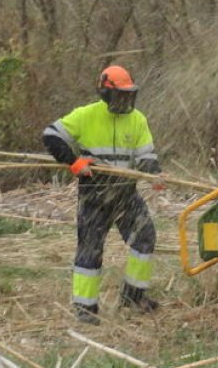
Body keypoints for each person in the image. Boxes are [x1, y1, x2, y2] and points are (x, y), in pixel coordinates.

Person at [43, 65, 163, 324]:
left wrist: (153, 173)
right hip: (94, 193)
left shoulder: (138, 119)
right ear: (106, 94)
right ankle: (85, 308)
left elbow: (146, 155)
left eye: (129, 95)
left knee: (145, 239)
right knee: (90, 249)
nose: (126, 101)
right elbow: (51, 136)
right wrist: (73, 162)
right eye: (121, 95)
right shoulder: (85, 115)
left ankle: (134, 296)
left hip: (125, 193)